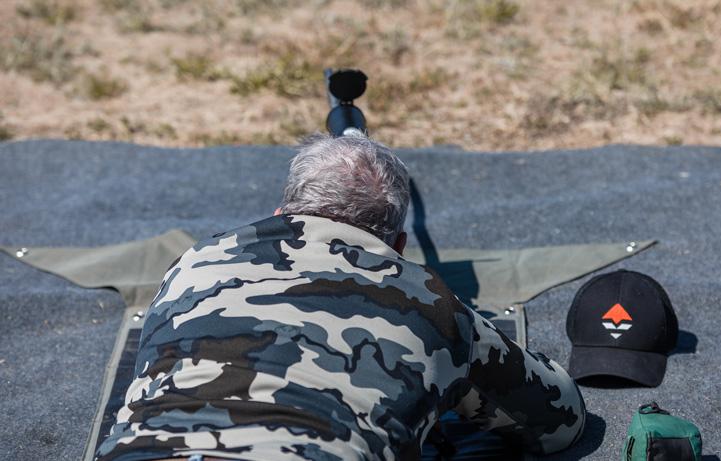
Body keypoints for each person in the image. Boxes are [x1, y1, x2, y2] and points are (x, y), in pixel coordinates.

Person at [96, 135, 586, 461]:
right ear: (398, 247)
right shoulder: (433, 303)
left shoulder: (195, 262)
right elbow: (556, 420)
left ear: (279, 210)